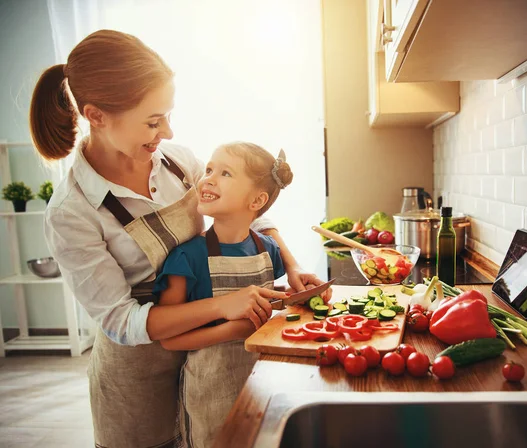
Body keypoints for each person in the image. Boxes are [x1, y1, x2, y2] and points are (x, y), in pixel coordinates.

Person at [29, 29, 331, 448]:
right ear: (96, 116)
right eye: (153, 121)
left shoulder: (178, 163)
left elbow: (245, 215)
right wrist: (224, 305)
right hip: (135, 367)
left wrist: (294, 266)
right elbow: (121, 321)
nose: (167, 132)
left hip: (206, 350)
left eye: (168, 115)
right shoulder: (72, 210)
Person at [154, 142, 292, 447]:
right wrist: (233, 330)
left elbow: (272, 300)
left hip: (263, 386)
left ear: (257, 199)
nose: (208, 179)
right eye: (209, 169)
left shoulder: (268, 250)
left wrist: (291, 300)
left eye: (225, 173)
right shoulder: (186, 258)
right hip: (208, 392)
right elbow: (168, 339)